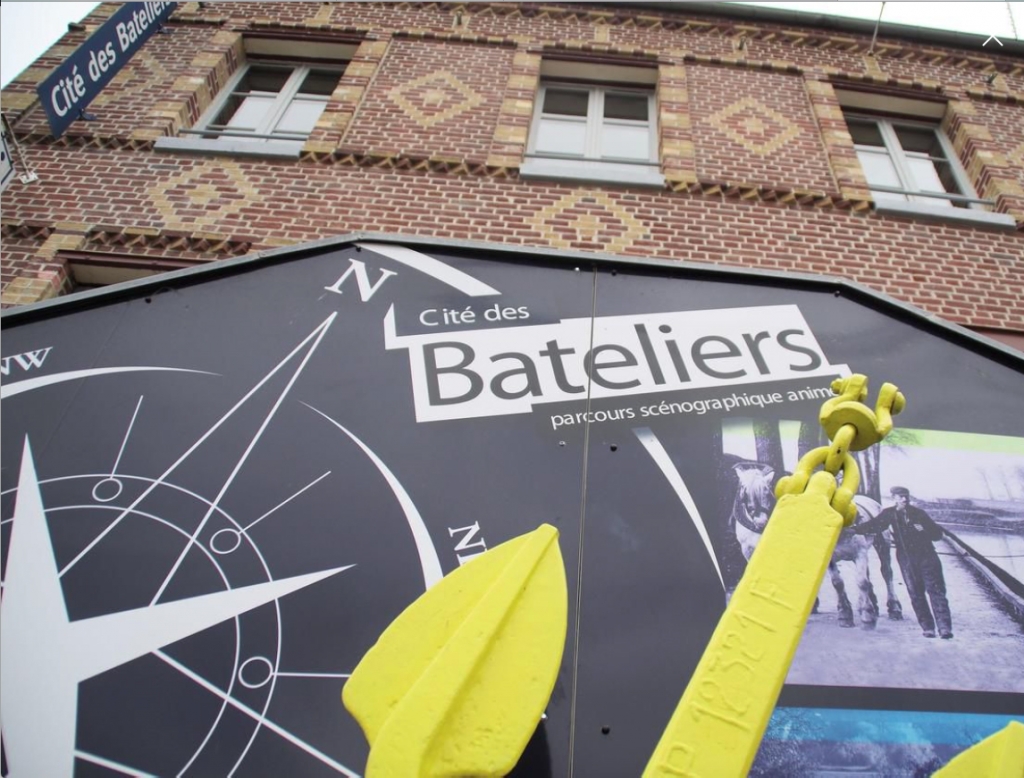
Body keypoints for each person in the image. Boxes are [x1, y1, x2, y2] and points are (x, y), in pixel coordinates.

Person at [854, 487, 952, 639]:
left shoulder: (919, 514)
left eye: (905, 496)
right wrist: (853, 529)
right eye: (900, 497)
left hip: (928, 557)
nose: (904, 499)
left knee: (936, 591)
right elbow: (875, 526)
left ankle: (944, 628)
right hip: (906, 559)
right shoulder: (889, 514)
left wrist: (923, 530)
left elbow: (937, 535)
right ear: (894, 498)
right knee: (915, 593)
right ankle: (928, 628)